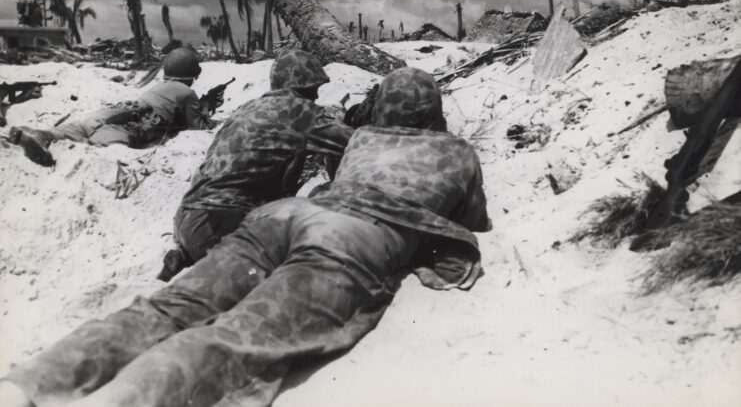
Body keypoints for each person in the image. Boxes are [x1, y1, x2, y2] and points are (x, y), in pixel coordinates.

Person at [0, 67, 490, 407]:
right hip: (350, 239)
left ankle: (28, 384)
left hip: (283, 216)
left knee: (173, 306)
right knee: (238, 337)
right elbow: (473, 219)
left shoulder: (362, 138)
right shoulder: (458, 152)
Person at [159, 49, 354, 280]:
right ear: (305, 87)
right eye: (314, 89)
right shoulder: (301, 112)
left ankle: (186, 255)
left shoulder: (247, 108)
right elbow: (358, 142)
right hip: (222, 221)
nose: (316, 97)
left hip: (187, 218)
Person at [7, 48, 214, 167]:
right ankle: (45, 148)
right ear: (191, 75)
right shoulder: (188, 93)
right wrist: (205, 110)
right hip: (124, 128)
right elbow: (199, 128)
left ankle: (37, 134)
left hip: (107, 113)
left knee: (70, 131)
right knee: (88, 146)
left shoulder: (159, 86)